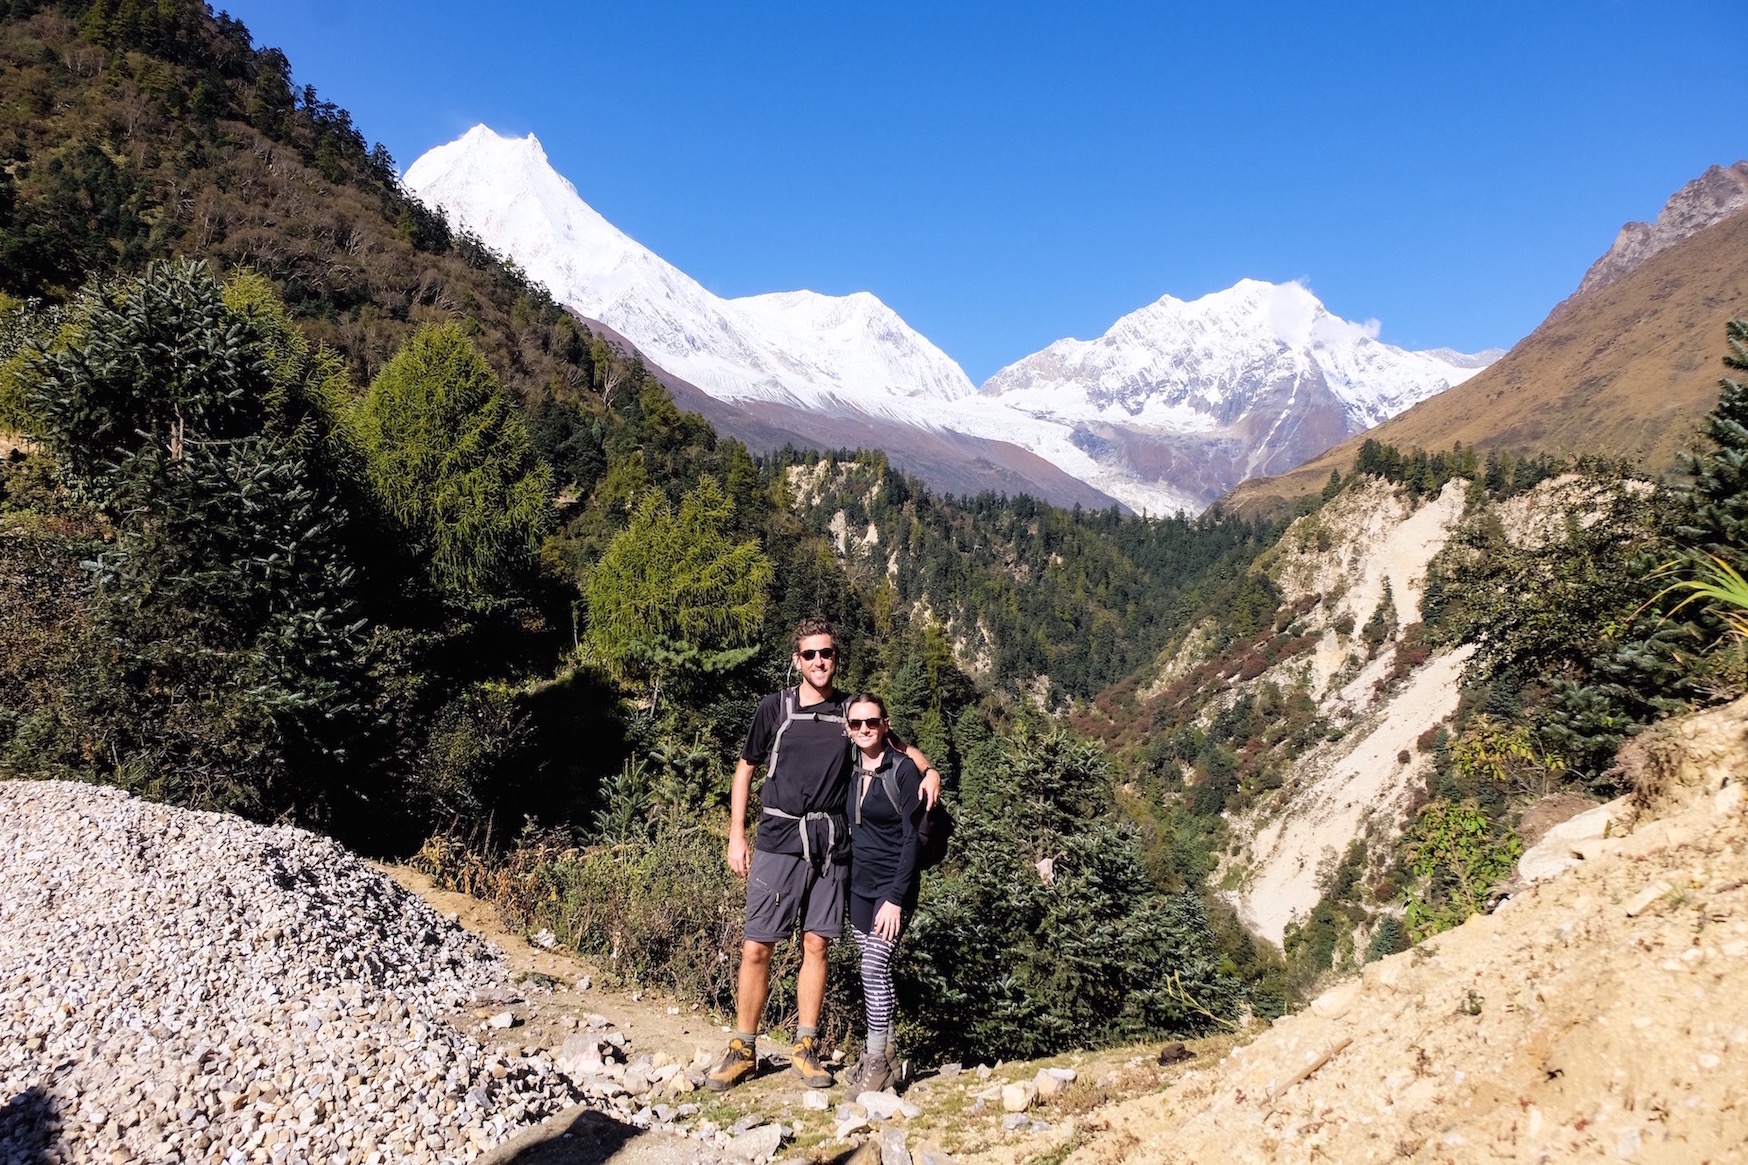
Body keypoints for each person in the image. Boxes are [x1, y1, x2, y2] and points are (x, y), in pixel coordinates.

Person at [707, 616, 940, 1092]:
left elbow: (896, 746)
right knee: (757, 946)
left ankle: (806, 1047)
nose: (819, 661)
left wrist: (930, 770)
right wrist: (737, 833)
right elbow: (746, 768)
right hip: (778, 837)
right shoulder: (775, 708)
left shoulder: (851, 712)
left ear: (836, 657)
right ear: (797, 660)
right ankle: (743, 1047)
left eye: (827, 653)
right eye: (810, 654)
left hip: (832, 846)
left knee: (817, 944)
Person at [840, 691, 923, 1093]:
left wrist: (895, 897)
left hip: (893, 888)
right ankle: (887, 1059)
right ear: (848, 728)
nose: (864, 729)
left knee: (872, 968)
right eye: (856, 723)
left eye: (872, 722)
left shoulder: (903, 770)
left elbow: (913, 839)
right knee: (877, 973)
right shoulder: (850, 764)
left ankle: (874, 1060)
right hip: (858, 886)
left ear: (885, 724)